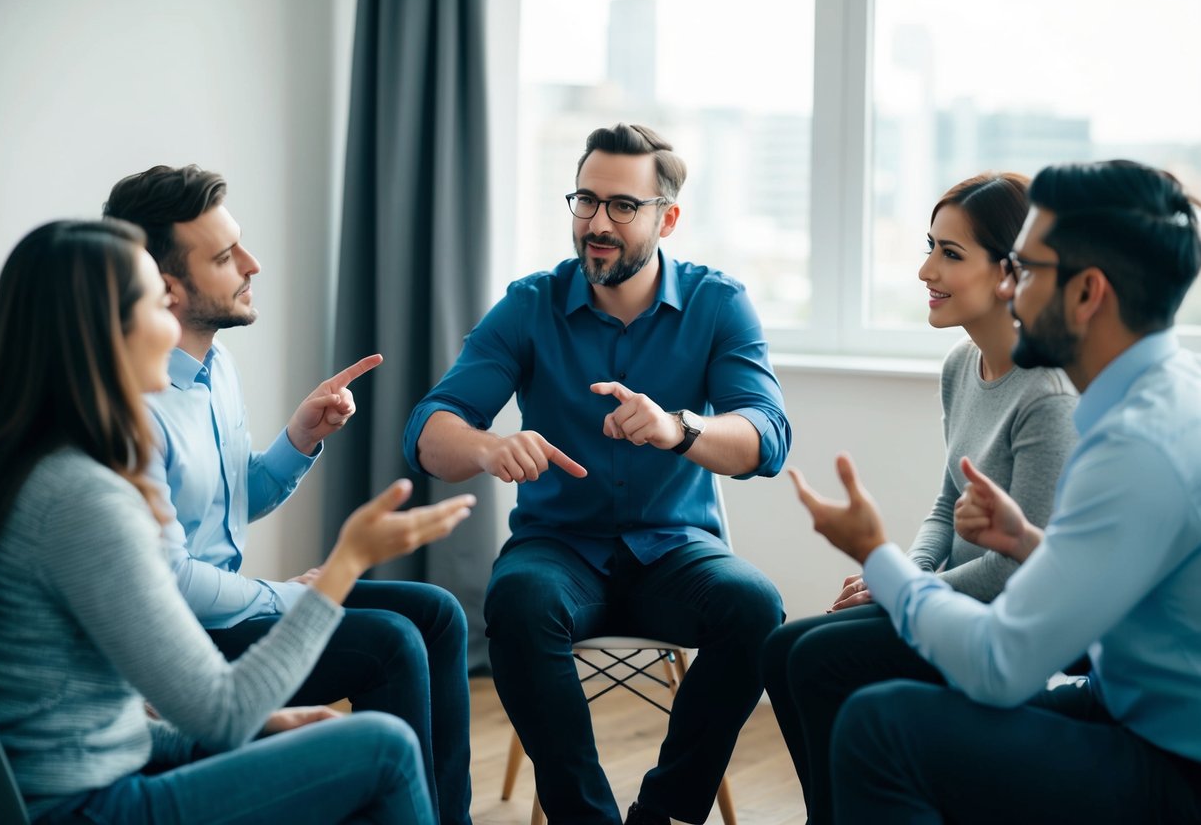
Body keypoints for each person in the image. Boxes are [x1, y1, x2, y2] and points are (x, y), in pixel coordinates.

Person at [0, 219, 477, 823]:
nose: (170, 323)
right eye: (155, 303)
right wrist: (344, 564)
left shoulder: (46, 466)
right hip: (93, 807)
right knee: (384, 747)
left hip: (104, 776)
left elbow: (95, 720)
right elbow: (222, 713)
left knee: (409, 656)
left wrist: (256, 728)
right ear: (103, 332)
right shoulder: (84, 498)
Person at [403, 123, 791, 824]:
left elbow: (766, 437)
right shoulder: (531, 303)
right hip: (558, 550)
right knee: (518, 603)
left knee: (755, 609)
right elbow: (429, 430)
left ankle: (663, 813)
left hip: (676, 552)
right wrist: (488, 448)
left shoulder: (717, 303)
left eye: (622, 206)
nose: (597, 223)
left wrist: (679, 428)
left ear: (666, 219)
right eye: (586, 200)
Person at [791, 160, 1201, 823]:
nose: (1010, 287)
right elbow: (1123, 578)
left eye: (1027, 270)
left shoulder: (1133, 445)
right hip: (1122, 702)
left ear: (1086, 293)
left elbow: (999, 664)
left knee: (879, 725)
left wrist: (878, 558)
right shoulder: (1166, 393)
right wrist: (1029, 541)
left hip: (1172, 763)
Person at [760, 172, 1078, 823]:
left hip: (1003, 622)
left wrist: (901, 586)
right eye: (930, 246)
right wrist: (904, 574)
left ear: (1009, 274)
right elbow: (944, 504)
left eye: (950, 253)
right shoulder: (961, 364)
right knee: (782, 648)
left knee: (817, 660)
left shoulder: (1047, 396)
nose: (925, 270)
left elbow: (1018, 568)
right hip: (949, 595)